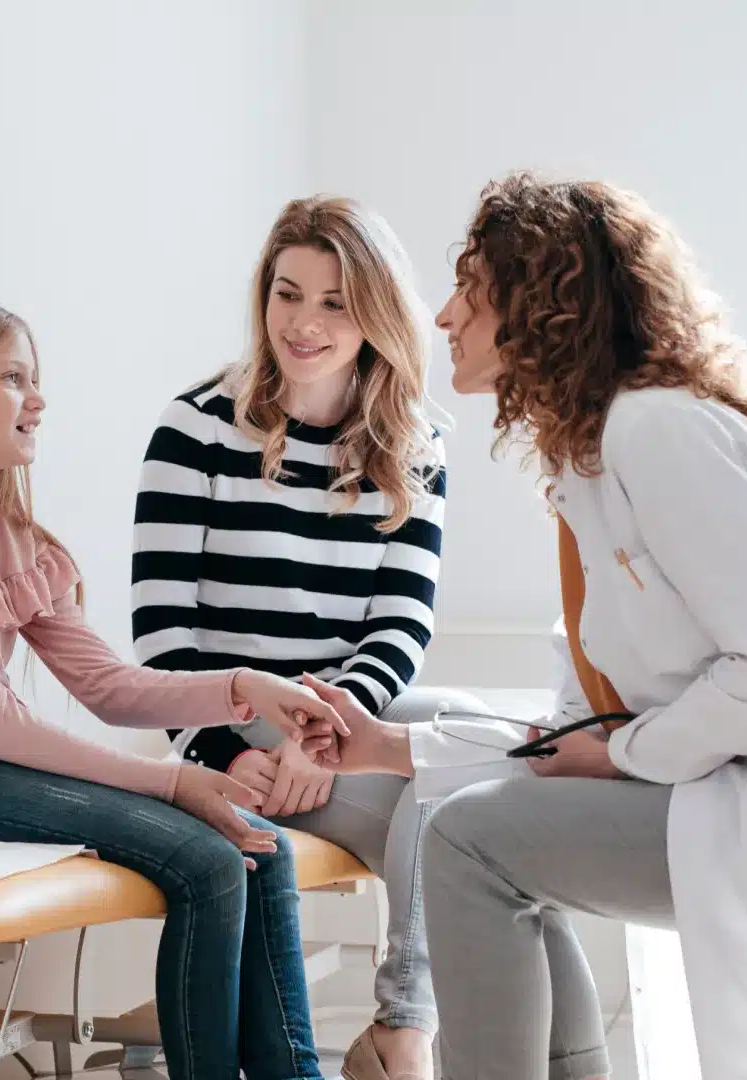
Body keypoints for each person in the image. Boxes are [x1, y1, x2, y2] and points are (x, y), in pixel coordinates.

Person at [303, 172, 747, 1080]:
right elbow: (577, 735)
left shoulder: (656, 434)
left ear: (540, 305)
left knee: (467, 841)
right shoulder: (589, 464)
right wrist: (387, 748)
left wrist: (617, 755)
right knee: (481, 830)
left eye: (472, 288)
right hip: (717, 791)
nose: (444, 315)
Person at [0, 297, 351, 1080]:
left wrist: (245, 688)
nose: (39, 400)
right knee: (211, 860)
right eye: (13, 378)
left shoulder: (10, 534)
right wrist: (176, 780)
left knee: (263, 847)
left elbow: (110, 688)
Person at [131, 195, 499, 1080]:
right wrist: (220, 748)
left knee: (478, 744)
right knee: (453, 804)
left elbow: (402, 621)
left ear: (374, 311)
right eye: (287, 293)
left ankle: (402, 1025)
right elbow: (162, 633)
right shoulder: (196, 431)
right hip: (241, 711)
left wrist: (339, 728)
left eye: (334, 302)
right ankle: (404, 1042)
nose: (303, 323)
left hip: (346, 715)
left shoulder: (417, 441)